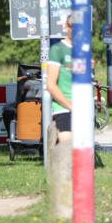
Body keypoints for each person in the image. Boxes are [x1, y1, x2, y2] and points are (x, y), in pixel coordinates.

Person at [46, 16, 73, 144]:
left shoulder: (85, 50)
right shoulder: (58, 49)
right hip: (64, 108)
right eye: (72, 26)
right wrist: (71, 106)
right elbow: (51, 85)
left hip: (83, 107)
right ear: (66, 27)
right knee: (67, 141)